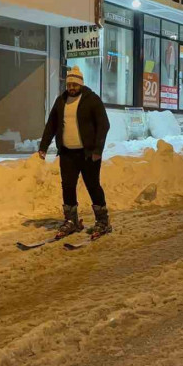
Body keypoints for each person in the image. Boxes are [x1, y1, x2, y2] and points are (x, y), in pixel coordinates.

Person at [38, 66, 112, 239]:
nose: (71, 88)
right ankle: (71, 220)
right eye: (69, 84)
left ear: (80, 84)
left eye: (75, 85)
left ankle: (102, 221)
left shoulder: (92, 100)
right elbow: (52, 125)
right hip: (67, 153)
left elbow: (103, 125)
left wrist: (98, 150)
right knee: (68, 186)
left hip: (88, 154)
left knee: (92, 185)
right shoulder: (61, 101)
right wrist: (43, 146)